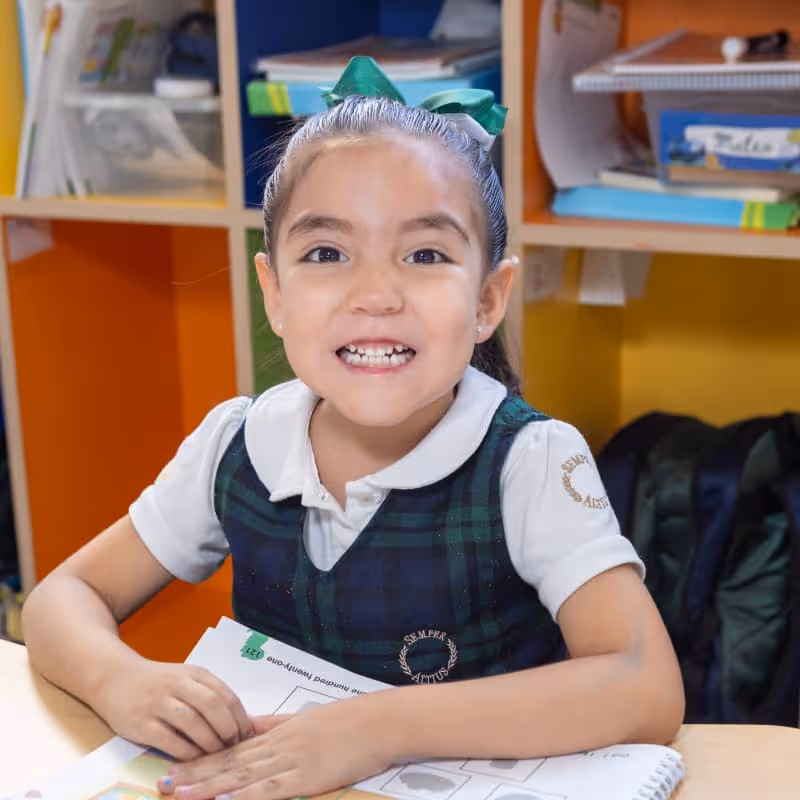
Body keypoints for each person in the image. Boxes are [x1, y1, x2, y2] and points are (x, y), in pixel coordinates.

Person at [22, 58, 684, 800]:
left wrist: (377, 727)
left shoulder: (528, 461)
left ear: (488, 300)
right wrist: (122, 681)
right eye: (327, 253)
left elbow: (643, 685)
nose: (375, 294)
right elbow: (59, 599)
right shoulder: (236, 445)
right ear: (273, 292)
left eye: (425, 254)